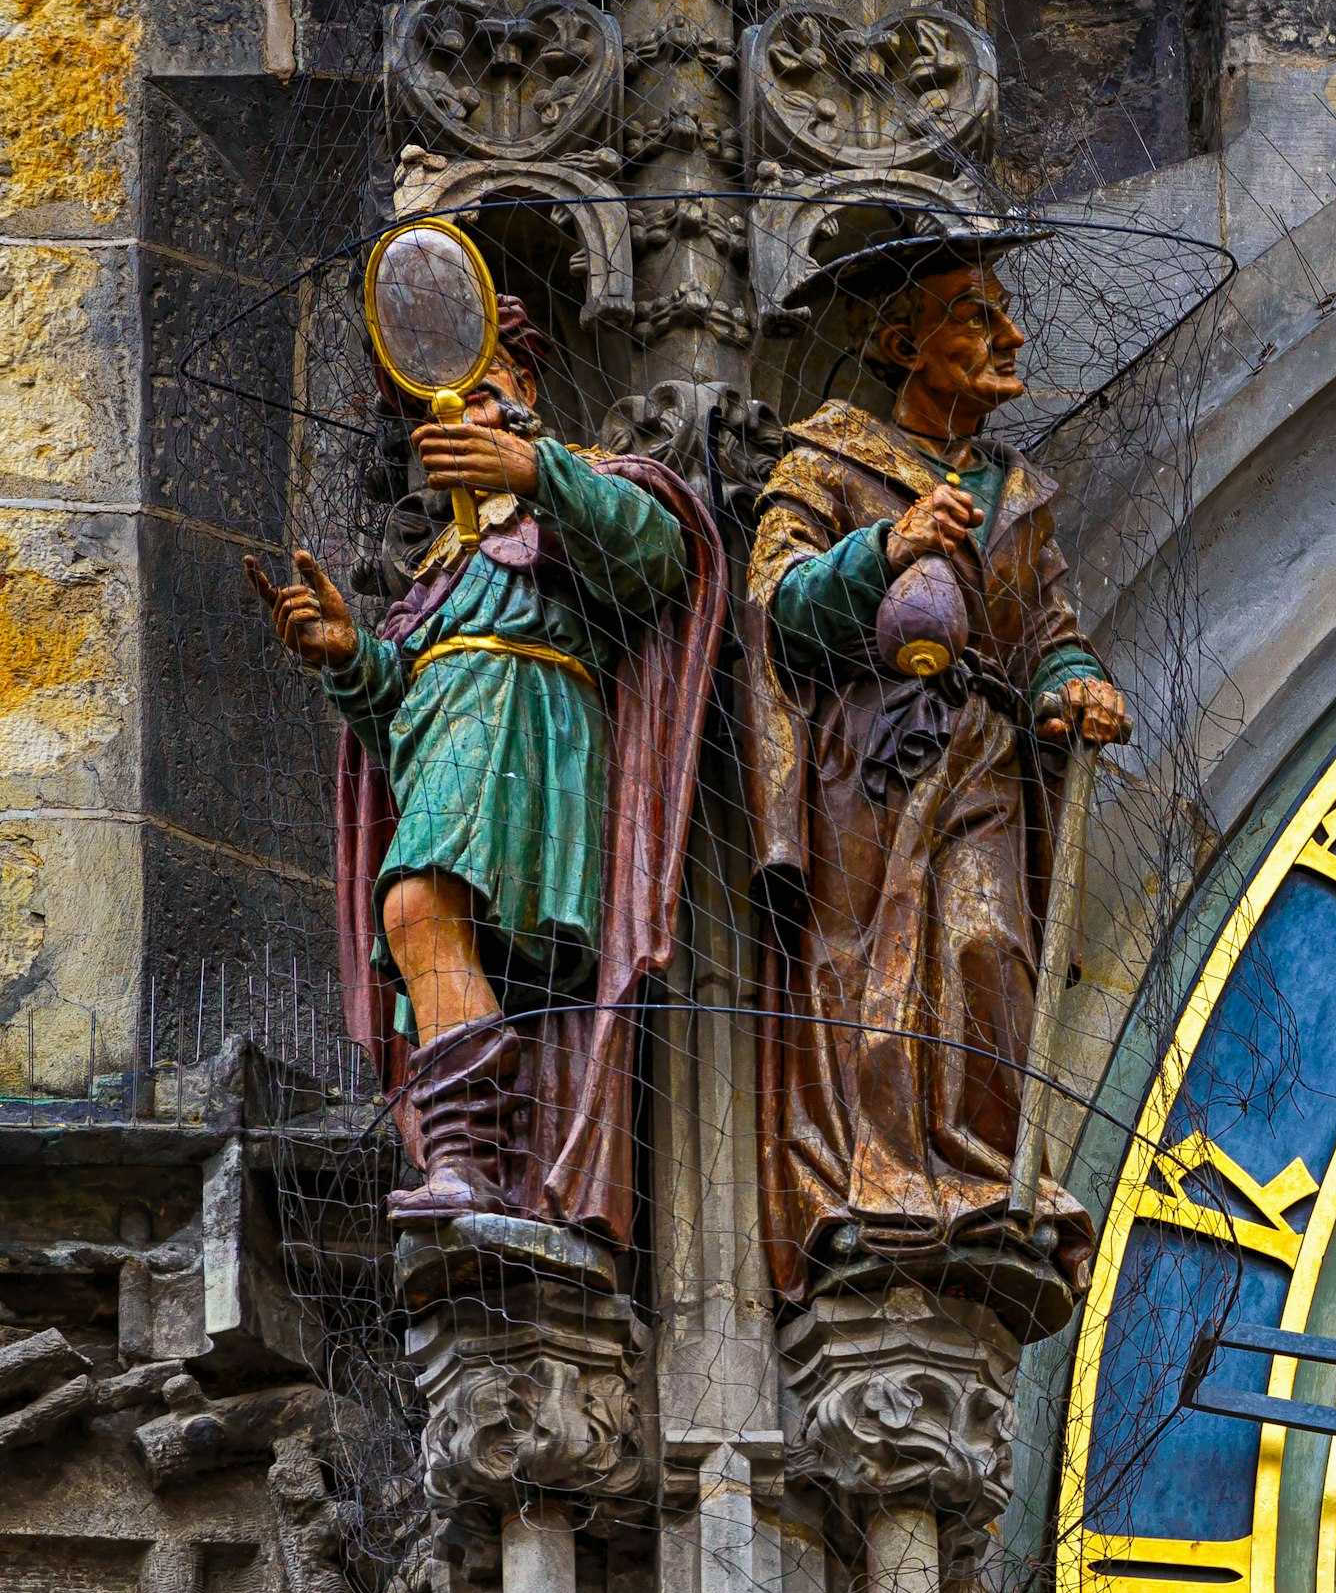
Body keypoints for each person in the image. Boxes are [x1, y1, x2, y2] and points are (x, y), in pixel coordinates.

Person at [247, 301, 723, 1237]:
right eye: (438, 404)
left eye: (484, 388)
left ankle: (473, 1151)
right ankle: (469, 1157)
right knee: (421, 920)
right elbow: (400, 722)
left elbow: (660, 557)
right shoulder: (438, 562)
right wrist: (349, 655)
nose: (460, 413)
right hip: (451, 747)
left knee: (416, 910)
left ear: (526, 388)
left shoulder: (581, 484)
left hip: (526, 737)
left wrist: (535, 470)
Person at [743, 241, 1124, 1304]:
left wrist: (1076, 679)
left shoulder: (1017, 498)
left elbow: (1046, 626)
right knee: (879, 954)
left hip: (987, 757)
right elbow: (775, 610)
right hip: (868, 756)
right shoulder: (825, 462)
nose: (1009, 339)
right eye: (974, 319)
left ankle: (985, 1175)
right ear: (901, 346)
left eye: (1004, 317)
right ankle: (883, 1177)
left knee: (985, 945)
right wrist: (883, 548)